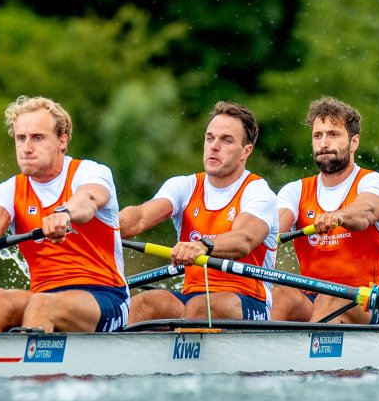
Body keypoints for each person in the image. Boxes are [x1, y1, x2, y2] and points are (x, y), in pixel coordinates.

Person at [0, 96, 129, 334]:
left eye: (37, 138)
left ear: (61, 141)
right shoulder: (8, 190)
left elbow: (87, 202)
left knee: (42, 304)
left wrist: (65, 214)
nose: (26, 148)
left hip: (105, 296)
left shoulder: (90, 172)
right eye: (20, 138)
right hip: (44, 297)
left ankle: (30, 371)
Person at [120, 102, 281, 323]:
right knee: (141, 305)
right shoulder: (184, 186)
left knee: (199, 308)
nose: (214, 146)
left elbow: (243, 239)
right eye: (210, 138)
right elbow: (138, 219)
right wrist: (97, 226)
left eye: (226, 140)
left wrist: (203, 245)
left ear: (246, 151)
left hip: (248, 300)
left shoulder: (258, 192)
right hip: (192, 297)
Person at [273, 97, 379, 324]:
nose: (324, 143)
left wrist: (338, 216)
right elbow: (273, 227)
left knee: (330, 298)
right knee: (278, 296)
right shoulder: (295, 191)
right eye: (317, 135)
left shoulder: (374, 182)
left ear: (354, 142)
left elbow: (366, 212)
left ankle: (306, 355)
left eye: (333, 134)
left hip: (367, 301)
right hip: (310, 298)